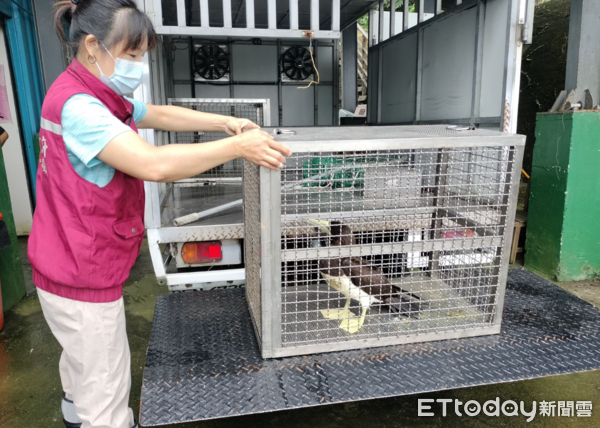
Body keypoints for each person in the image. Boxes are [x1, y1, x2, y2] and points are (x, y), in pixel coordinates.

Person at [27, 1, 291, 428]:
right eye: (131, 55)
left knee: (81, 364)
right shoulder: (81, 108)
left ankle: (74, 414)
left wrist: (224, 123)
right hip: (82, 270)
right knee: (106, 391)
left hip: (65, 258)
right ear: (93, 47)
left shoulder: (91, 91)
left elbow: (159, 114)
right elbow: (153, 164)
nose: (138, 66)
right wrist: (238, 147)